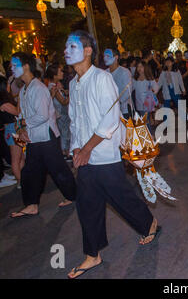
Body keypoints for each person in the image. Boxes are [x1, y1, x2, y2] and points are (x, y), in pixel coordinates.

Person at [64, 31, 159, 279]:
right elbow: (75, 121)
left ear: (87, 51)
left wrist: (86, 149)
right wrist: (76, 147)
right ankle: (92, 255)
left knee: (121, 198)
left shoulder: (102, 79)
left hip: (104, 155)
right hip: (84, 157)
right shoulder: (73, 84)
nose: (66, 50)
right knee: (87, 205)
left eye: (71, 45)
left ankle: (149, 223)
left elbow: (108, 122)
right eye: (66, 46)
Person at [9, 52, 76, 218]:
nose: (11, 68)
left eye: (14, 65)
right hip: (34, 138)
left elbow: (42, 116)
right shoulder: (25, 89)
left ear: (25, 66)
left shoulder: (38, 88)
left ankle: (73, 195)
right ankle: (32, 205)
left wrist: (24, 124)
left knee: (58, 169)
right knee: (31, 172)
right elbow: (22, 114)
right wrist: (21, 130)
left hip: (46, 137)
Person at [45, 63, 71, 160]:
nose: (62, 73)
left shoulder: (55, 86)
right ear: (54, 75)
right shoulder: (53, 88)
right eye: (60, 71)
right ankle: (65, 153)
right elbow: (63, 102)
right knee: (64, 134)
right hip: (61, 116)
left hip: (61, 115)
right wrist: (73, 93)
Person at [0, 76, 19, 188]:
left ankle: (22, 179)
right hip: (11, 130)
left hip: (13, 129)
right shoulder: (3, 103)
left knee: (20, 156)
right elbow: (17, 112)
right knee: (16, 158)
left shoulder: (4, 100)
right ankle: (20, 182)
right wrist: (22, 99)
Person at [103, 48, 133, 119]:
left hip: (124, 110)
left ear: (116, 57)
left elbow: (128, 91)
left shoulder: (125, 72)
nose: (105, 58)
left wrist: (117, 102)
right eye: (104, 56)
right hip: (109, 112)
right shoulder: (104, 73)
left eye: (108, 56)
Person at [132, 60, 159, 126]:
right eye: (138, 67)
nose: (139, 68)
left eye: (141, 66)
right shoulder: (135, 79)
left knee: (145, 121)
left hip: (148, 103)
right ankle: (150, 134)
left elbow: (156, 88)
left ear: (145, 68)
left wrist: (152, 93)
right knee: (145, 120)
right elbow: (132, 88)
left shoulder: (149, 78)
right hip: (139, 103)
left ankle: (149, 134)